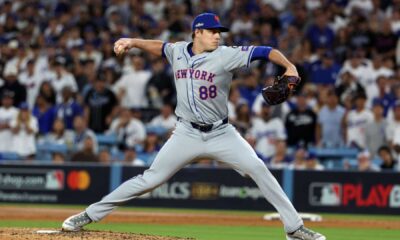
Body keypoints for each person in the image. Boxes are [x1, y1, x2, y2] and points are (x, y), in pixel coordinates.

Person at [62, 13, 325, 240]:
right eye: (213, 32)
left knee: (258, 168)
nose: (218, 36)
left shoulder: (226, 56)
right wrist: (132, 42)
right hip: (186, 132)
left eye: (219, 32)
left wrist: (289, 65)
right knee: (150, 179)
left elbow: (266, 51)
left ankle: (294, 228)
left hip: (222, 133)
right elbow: (160, 46)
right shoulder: (177, 50)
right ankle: (87, 215)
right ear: (197, 32)